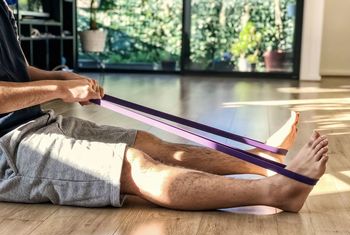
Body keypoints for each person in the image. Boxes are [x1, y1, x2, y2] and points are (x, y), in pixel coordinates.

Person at [0, 0, 328, 213]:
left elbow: (16, 69)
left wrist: (63, 78)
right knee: (131, 163)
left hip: (35, 121)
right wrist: (59, 88)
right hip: (7, 149)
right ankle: (274, 192)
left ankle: (261, 162)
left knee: (146, 142)